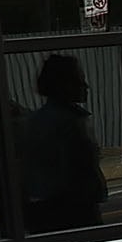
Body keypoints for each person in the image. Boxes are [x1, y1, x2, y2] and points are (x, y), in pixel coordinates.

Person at [18, 52, 106, 232]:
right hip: (71, 211)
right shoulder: (72, 123)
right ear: (64, 84)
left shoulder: (34, 121)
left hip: (43, 210)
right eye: (79, 80)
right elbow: (81, 170)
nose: (86, 86)